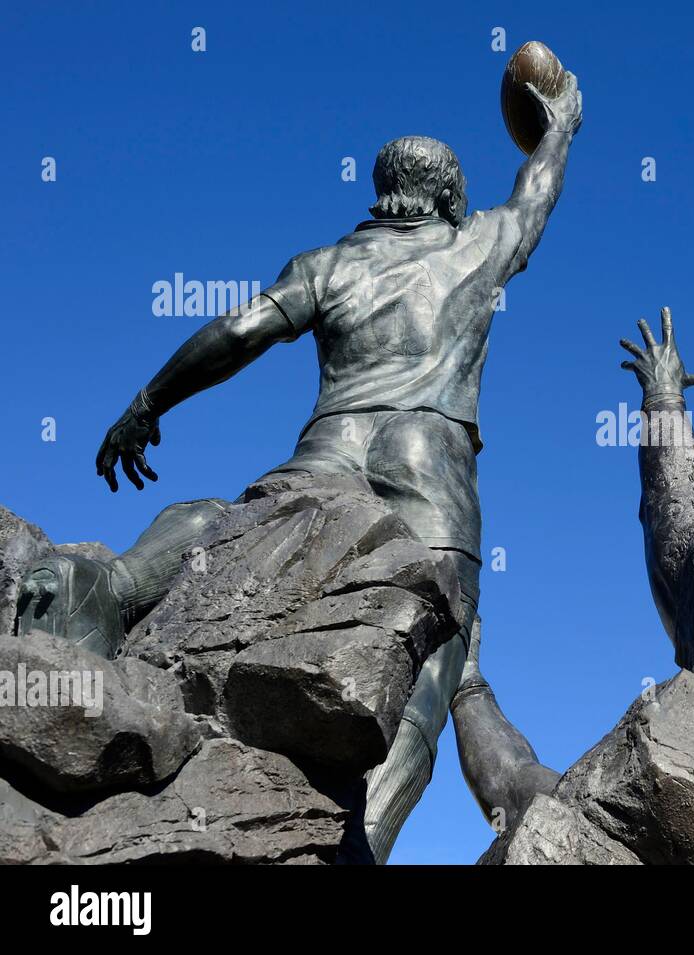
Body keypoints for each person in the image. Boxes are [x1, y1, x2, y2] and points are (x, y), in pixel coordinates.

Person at [14, 73, 583, 864]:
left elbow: (239, 330)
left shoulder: (328, 263)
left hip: (329, 451)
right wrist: (560, 129)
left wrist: (149, 401)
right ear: (450, 198)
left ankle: (114, 582)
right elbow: (537, 194)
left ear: (383, 194)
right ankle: (356, 847)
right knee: (429, 671)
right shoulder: (477, 243)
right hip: (432, 476)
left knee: (224, 524)